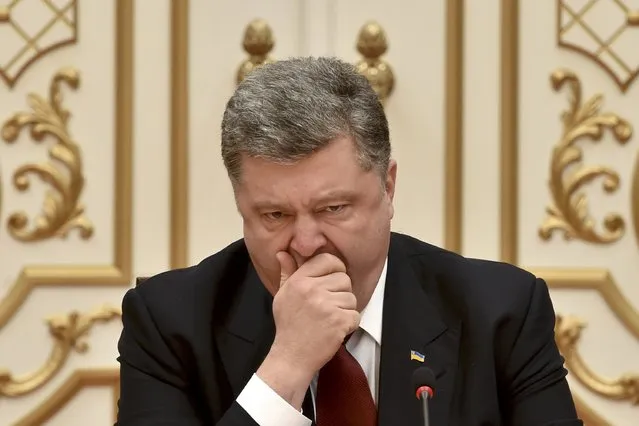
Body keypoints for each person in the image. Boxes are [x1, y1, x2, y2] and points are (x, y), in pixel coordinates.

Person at [114, 57, 582, 425]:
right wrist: (285, 369)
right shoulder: (169, 322)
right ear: (241, 203)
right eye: (274, 214)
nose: (305, 242)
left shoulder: (502, 312)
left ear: (388, 187)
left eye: (333, 209)